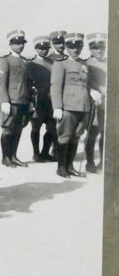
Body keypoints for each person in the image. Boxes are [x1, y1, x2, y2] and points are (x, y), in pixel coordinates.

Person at [50, 32, 102, 178]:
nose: (75, 49)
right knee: (65, 137)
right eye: (72, 46)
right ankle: (61, 167)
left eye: (78, 46)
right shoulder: (60, 64)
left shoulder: (83, 64)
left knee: (76, 137)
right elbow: (55, 86)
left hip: (84, 106)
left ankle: (70, 166)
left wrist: (93, 91)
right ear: (67, 47)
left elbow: (87, 83)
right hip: (68, 106)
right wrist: (57, 107)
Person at [0, 30, 33, 168]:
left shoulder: (25, 61)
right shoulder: (5, 60)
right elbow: (2, 82)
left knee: (18, 129)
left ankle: (13, 156)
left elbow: (28, 83)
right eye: (17, 43)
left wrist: (30, 101)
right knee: (8, 129)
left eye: (22, 43)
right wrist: (4, 101)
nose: (20, 46)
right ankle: (5, 157)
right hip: (11, 101)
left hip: (23, 100)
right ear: (10, 44)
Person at [27, 36, 58, 162]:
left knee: (51, 127)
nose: (43, 51)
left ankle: (45, 152)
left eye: (45, 48)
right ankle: (36, 153)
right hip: (38, 100)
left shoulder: (52, 63)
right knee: (36, 127)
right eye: (40, 48)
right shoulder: (30, 63)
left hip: (50, 100)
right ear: (35, 48)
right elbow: (28, 83)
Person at [84, 32, 107, 173]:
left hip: (109, 105)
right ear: (90, 49)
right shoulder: (86, 64)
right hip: (94, 104)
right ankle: (90, 162)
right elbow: (85, 82)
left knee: (105, 134)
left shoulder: (110, 62)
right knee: (92, 134)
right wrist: (93, 90)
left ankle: (103, 162)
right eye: (95, 48)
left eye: (101, 48)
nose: (99, 50)